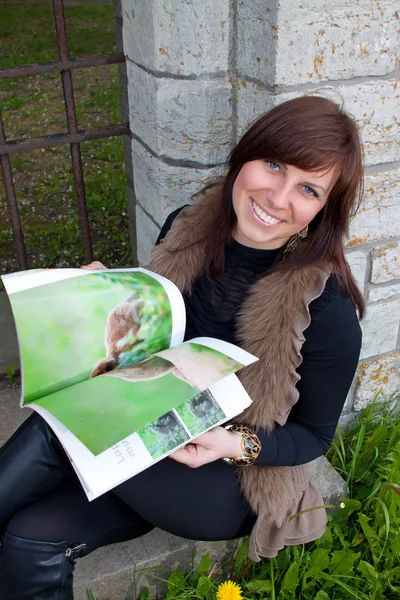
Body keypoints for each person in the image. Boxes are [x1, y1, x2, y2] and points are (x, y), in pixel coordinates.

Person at [0, 96, 364, 599]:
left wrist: (234, 445)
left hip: (222, 476)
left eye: (307, 188)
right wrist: (106, 297)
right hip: (147, 423)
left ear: (323, 210)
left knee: (57, 426)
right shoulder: (187, 225)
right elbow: (156, 337)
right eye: (274, 164)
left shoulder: (326, 307)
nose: (278, 198)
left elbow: (315, 437)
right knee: (26, 541)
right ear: (246, 156)